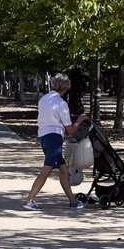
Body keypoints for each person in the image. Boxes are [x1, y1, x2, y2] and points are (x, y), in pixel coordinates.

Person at [23, 73, 88, 210]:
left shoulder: (43, 99)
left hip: (44, 136)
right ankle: (30, 199)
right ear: (64, 88)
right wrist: (80, 120)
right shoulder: (61, 103)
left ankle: (73, 201)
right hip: (55, 137)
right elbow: (70, 130)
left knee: (63, 169)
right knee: (46, 169)